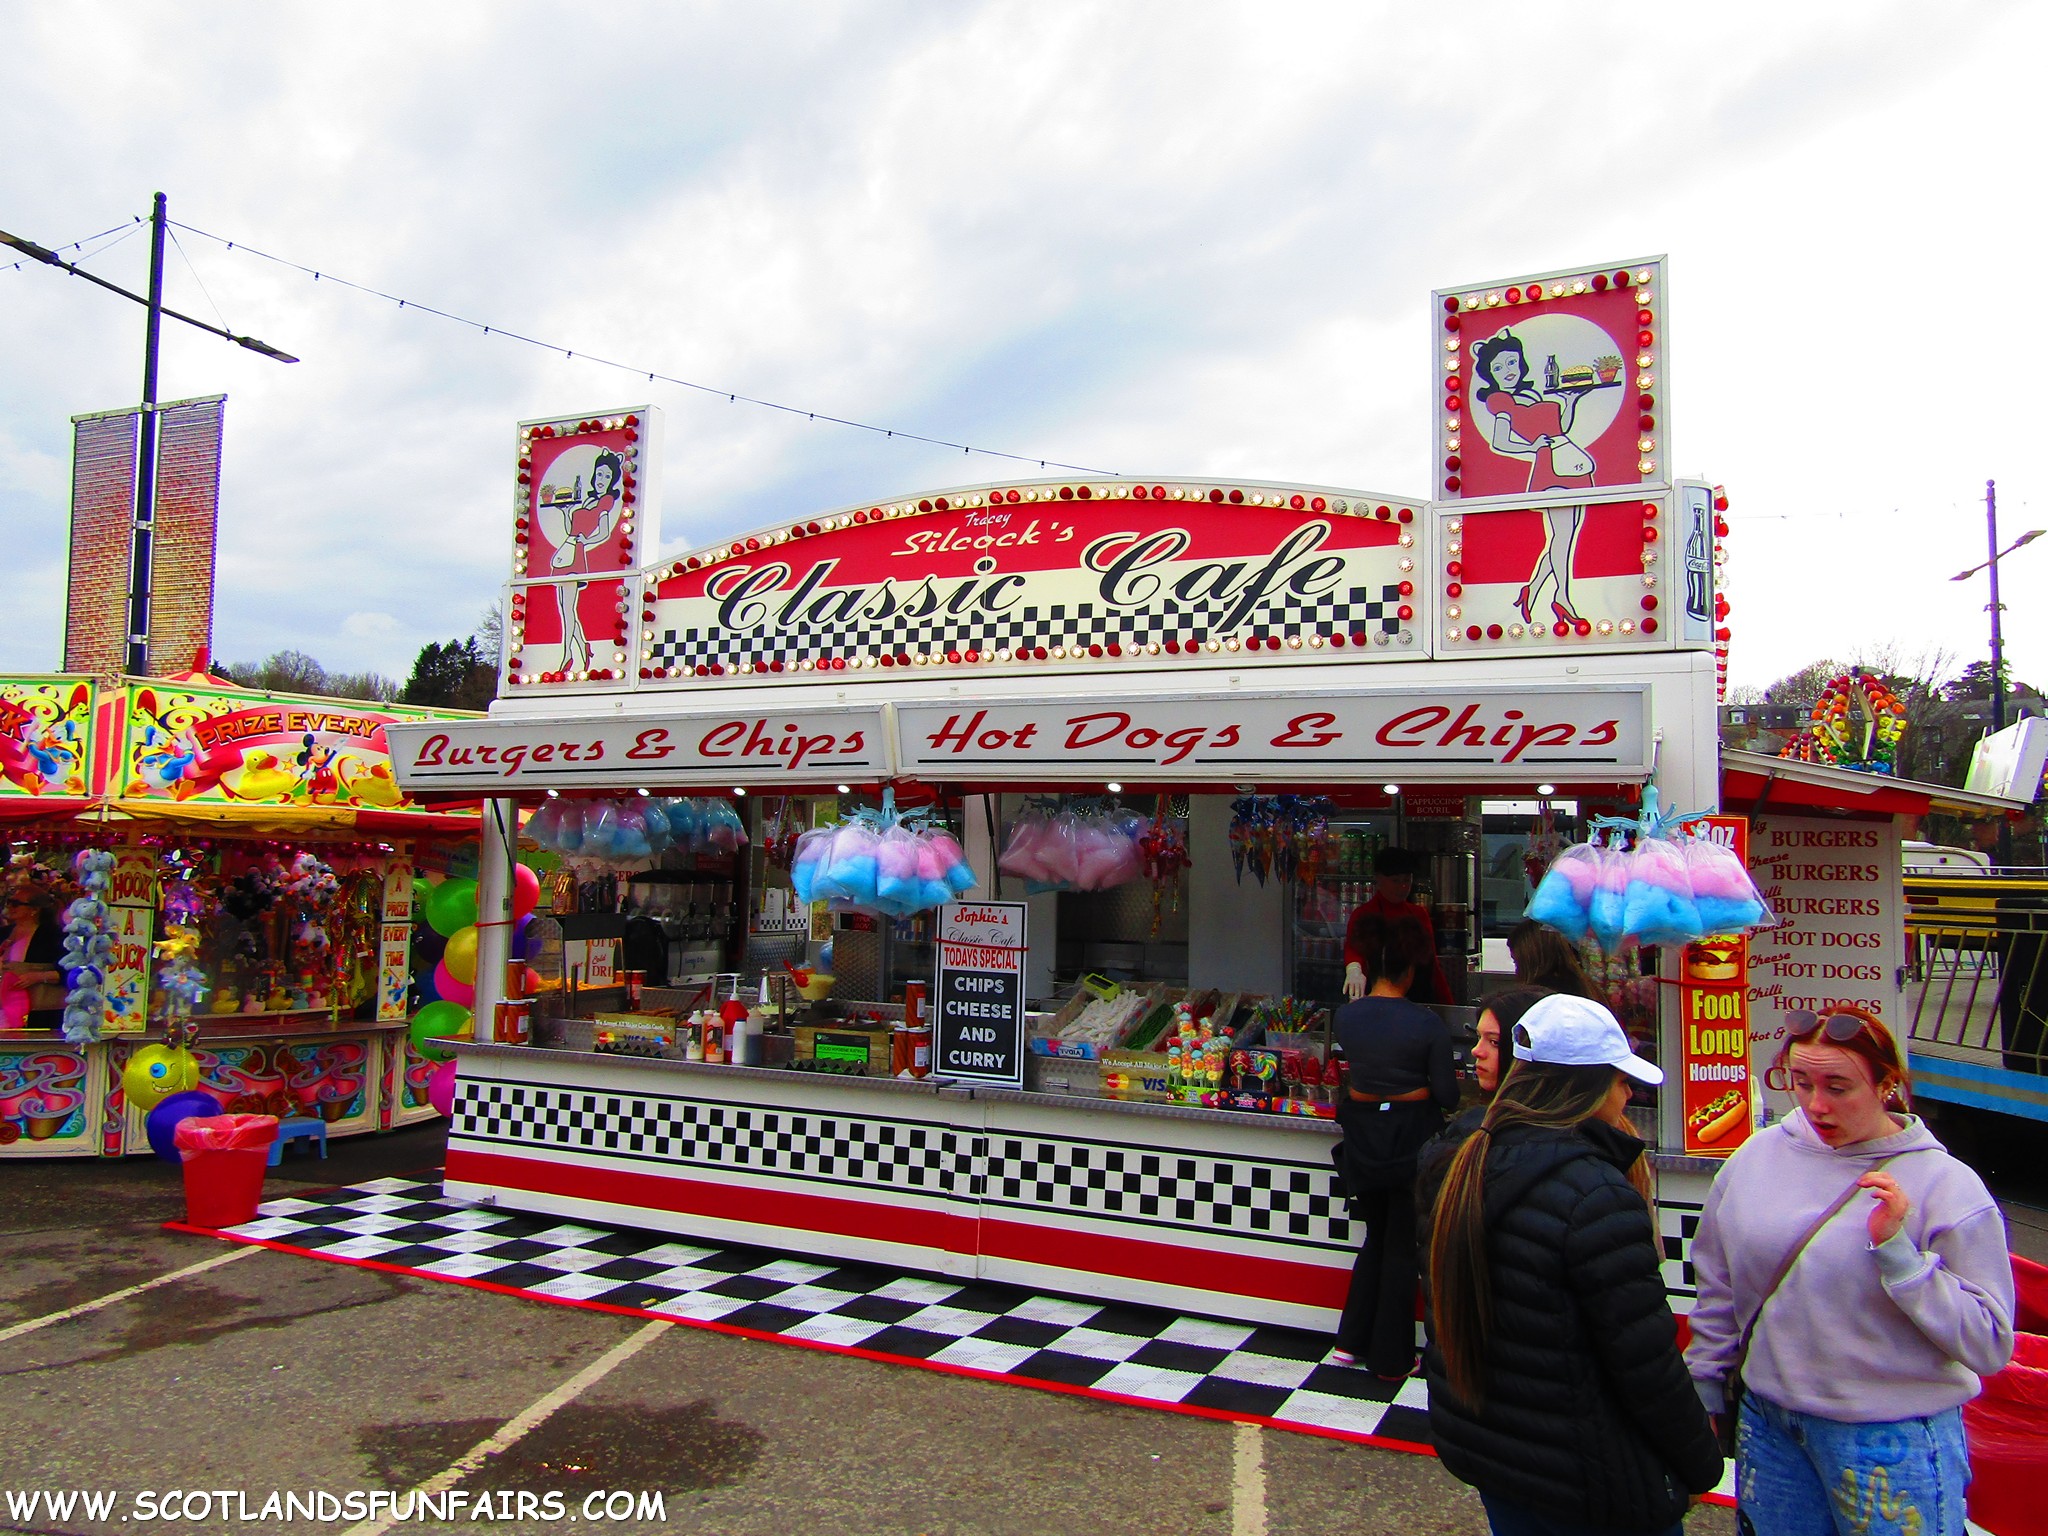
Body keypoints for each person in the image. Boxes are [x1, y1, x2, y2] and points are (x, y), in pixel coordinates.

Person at [1684, 1006, 2014, 1536]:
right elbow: (1718, 1284)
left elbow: (1990, 1343)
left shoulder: (1947, 1184)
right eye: (1800, 1082)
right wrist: (1704, 1379)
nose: (1816, 1104)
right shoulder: (1757, 1156)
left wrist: (1900, 1255)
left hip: (1891, 1437)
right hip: (1769, 1425)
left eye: (1838, 1087)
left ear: (1886, 1084)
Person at [1421, 993, 1722, 1534]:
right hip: (1591, 1480)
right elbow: (1647, 1367)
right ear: (1584, 1088)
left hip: (1498, 1460)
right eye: (1620, 1079)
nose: (1629, 1092)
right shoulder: (1595, 1196)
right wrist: (1700, 1463)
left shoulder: (1459, 1160)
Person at [1330, 914, 1458, 1377]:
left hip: (1362, 1137)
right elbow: (1447, 1095)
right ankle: (1392, 1357)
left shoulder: (1347, 1017)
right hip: (1411, 1138)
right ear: (1409, 972)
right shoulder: (1426, 1026)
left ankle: (1349, 1343)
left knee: (1376, 1237)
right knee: (1403, 1244)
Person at [1472, 329, 1597, 625]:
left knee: (1563, 536)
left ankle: (1532, 589)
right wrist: (1531, 447)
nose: (1507, 372)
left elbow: (1560, 427)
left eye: (1512, 363)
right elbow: (1498, 441)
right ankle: (1562, 598)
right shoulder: (1500, 401)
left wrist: (1571, 401)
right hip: (1550, 469)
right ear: (1490, 374)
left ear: (1521, 363)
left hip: (1570, 460)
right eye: (1498, 368)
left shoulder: (1532, 394)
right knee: (1563, 537)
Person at [1344, 847, 1453, 1004]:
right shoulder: (1364, 913)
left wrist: (1448, 1005)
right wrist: (1354, 969)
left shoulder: (1419, 914)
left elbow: (1433, 964)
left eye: (1406, 880)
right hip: (1377, 1001)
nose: (1402, 887)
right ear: (1379, 879)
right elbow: (1353, 950)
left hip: (1418, 1001)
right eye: (1395, 881)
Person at [2, 886, 66, 1031]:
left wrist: (38, 976)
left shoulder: (53, 935)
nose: (10, 906)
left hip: (40, 1013)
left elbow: (69, 971)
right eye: (9, 901)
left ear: (34, 910)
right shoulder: (4, 933)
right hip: (6, 1010)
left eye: (16, 903)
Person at [1508, 918, 1596, 998]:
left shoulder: (1533, 996)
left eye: (1516, 962)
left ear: (1530, 959)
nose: (1516, 971)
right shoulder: (1586, 985)